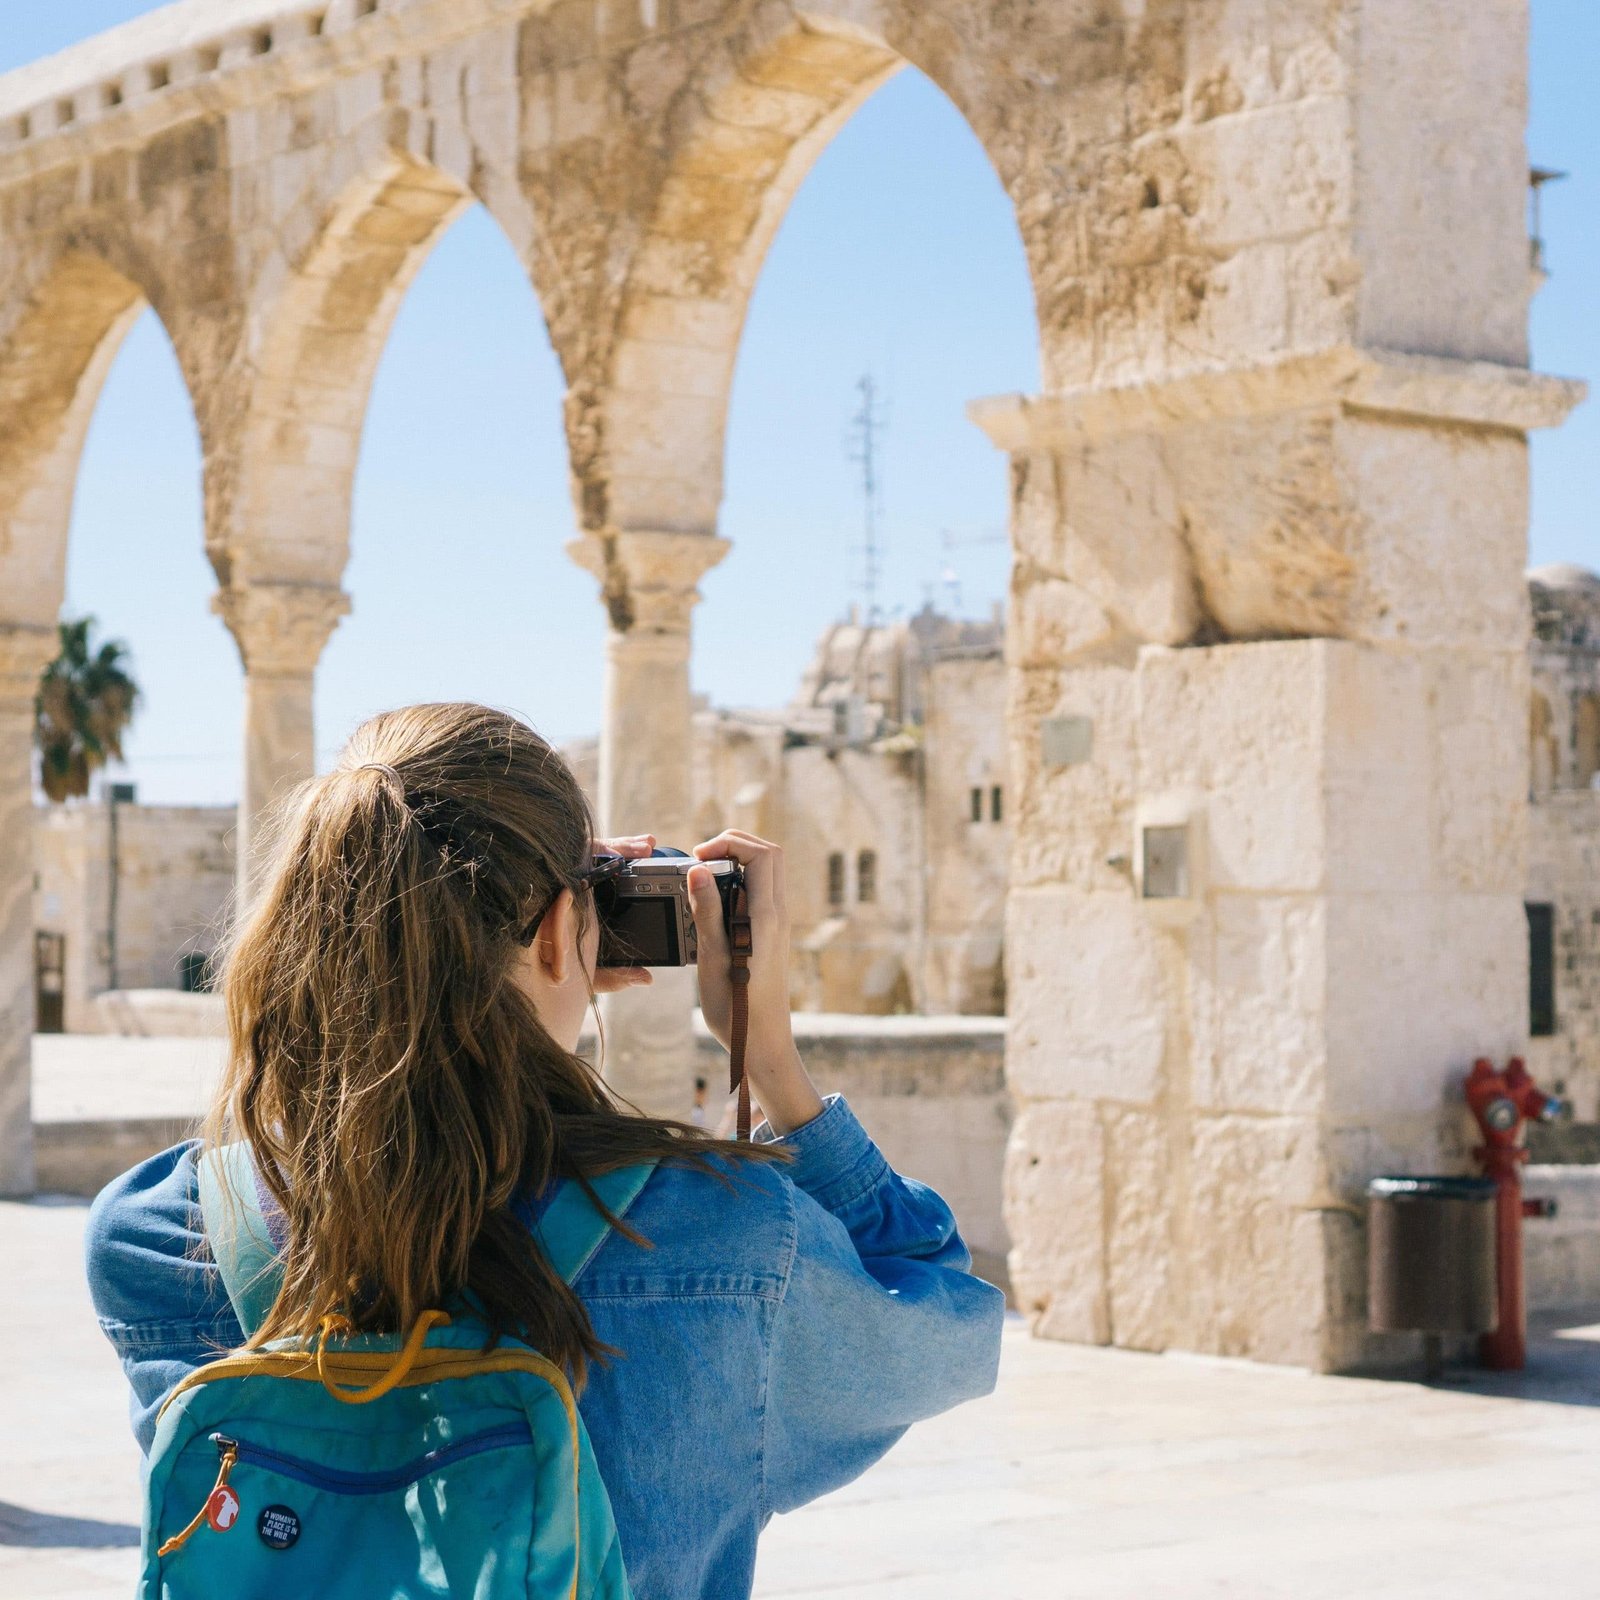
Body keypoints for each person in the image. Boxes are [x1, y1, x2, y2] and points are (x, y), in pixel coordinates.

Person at [85, 702, 1004, 1599]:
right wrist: (770, 1063)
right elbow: (948, 1324)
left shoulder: (156, 1236)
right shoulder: (724, 1240)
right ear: (567, 929)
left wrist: (550, 932)